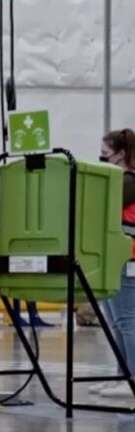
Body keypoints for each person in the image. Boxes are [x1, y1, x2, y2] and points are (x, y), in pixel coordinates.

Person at [93, 129, 135, 397]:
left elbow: (102, 205)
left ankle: (132, 379)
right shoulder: (120, 180)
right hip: (113, 256)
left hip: (127, 256)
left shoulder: (129, 182)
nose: (102, 159)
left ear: (121, 154)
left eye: (105, 155)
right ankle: (122, 376)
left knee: (127, 320)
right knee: (116, 322)